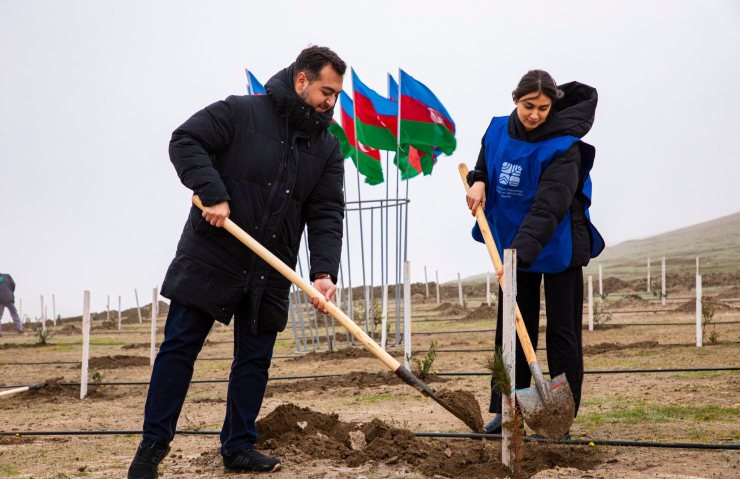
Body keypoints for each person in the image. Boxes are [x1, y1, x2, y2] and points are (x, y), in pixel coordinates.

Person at [127, 46, 347, 479]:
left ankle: (239, 447)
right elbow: (186, 140)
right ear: (301, 80)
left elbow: (326, 214)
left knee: (254, 361)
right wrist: (213, 192)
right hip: (213, 254)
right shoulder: (240, 112)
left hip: (271, 267)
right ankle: (151, 449)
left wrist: (323, 273)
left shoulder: (326, 148)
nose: (331, 102)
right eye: (326, 91)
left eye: (337, 95)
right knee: (179, 351)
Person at [465, 70, 604, 440]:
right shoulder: (496, 128)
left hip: (556, 245)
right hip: (511, 244)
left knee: (563, 333)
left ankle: (560, 418)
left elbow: (548, 208)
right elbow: (484, 162)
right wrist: (478, 179)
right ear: (515, 100)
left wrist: (517, 258)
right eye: (529, 106)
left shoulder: (565, 146)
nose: (535, 115)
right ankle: (505, 409)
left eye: (543, 108)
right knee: (509, 330)